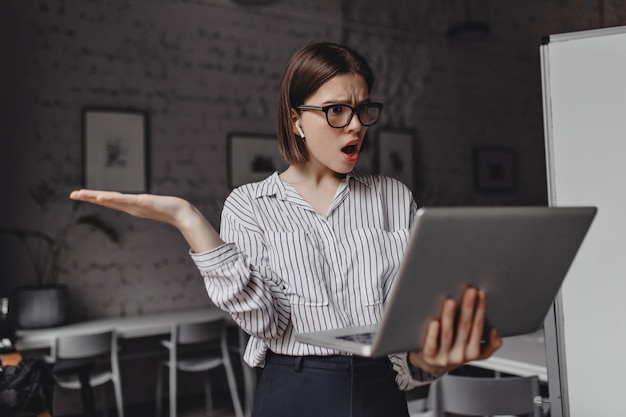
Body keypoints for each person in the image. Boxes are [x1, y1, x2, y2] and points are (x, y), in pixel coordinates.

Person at [70, 42, 502, 417]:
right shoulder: (249, 205)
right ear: (295, 119)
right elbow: (263, 319)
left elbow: (407, 323)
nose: (355, 124)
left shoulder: (394, 198)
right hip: (294, 391)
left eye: (362, 109)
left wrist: (431, 357)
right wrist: (188, 219)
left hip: (380, 389)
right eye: (336, 110)